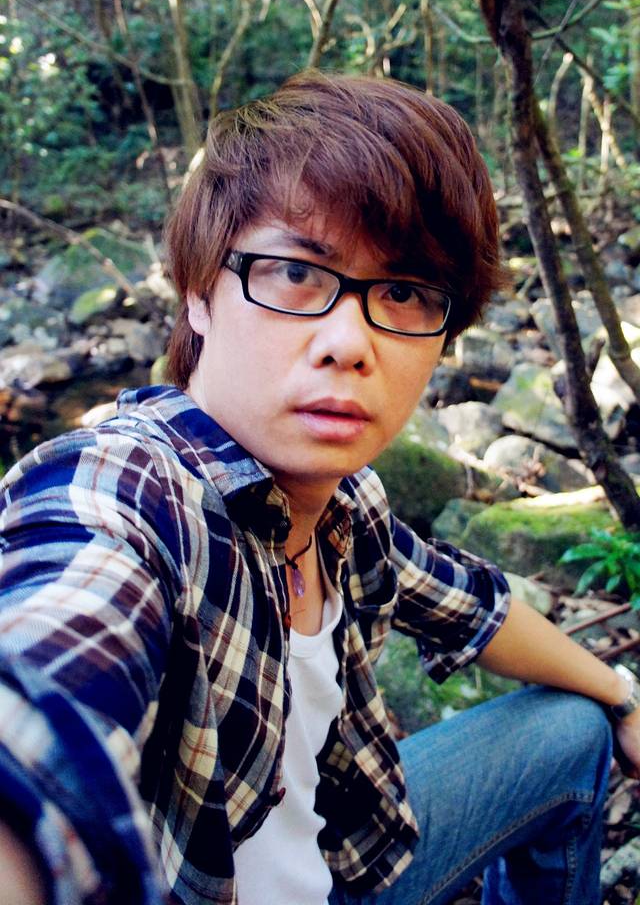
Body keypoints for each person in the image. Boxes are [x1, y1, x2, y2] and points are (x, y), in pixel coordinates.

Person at [0, 70, 638, 905]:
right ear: (199, 294)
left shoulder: (343, 506)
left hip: (351, 862)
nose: (348, 342)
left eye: (403, 293)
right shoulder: (134, 493)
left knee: (575, 731)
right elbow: (51, 680)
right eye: (296, 272)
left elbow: (470, 605)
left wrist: (624, 694)